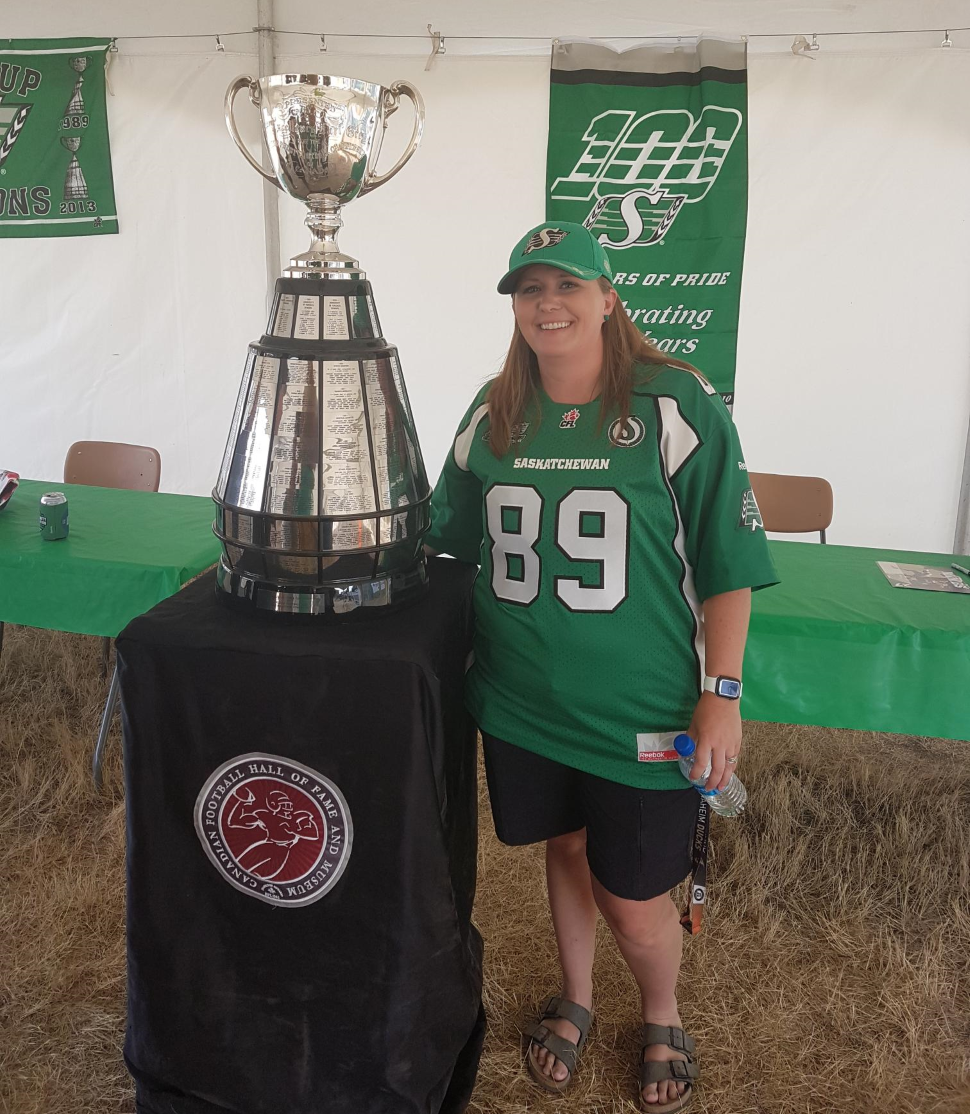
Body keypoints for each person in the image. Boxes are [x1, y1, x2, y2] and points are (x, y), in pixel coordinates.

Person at [424, 221, 778, 1112]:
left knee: (632, 894)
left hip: (642, 710)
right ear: (515, 306)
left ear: (608, 297)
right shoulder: (492, 407)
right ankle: (577, 995)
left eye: (568, 286)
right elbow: (445, 544)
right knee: (567, 845)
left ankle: (661, 1010)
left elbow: (728, 563)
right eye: (530, 289)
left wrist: (721, 695)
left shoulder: (673, 400)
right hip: (520, 702)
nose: (549, 304)